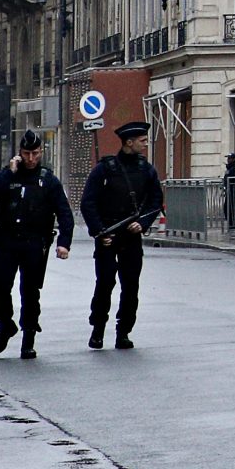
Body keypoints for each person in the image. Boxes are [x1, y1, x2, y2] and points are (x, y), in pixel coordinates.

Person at [0, 131, 71, 359]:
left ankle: (28, 338)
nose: (31, 158)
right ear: (19, 153)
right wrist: (9, 173)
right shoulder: (8, 175)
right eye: (27, 153)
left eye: (35, 153)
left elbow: (64, 213)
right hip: (6, 240)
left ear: (41, 153)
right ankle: (5, 324)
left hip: (33, 242)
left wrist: (64, 244)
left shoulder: (47, 180)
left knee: (30, 291)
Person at [80, 121, 164, 350]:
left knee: (131, 286)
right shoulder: (104, 169)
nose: (145, 144)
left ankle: (123, 331)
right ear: (129, 142)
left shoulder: (146, 169)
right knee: (105, 283)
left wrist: (143, 223)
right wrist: (98, 231)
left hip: (131, 236)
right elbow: (88, 202)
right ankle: (97, 329)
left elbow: (156, 200)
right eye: (142, 141)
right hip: (108, 235)